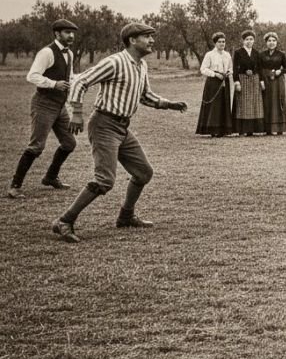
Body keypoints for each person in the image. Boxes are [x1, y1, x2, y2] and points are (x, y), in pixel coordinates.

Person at [51, 23, 188, 243]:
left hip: (122, 127)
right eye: (147, 37)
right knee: (105, 180)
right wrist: (76, 113)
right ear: (132, 40)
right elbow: (80, 81)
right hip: (104, 124)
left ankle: (125, 217)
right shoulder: (115, 62)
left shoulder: (141, 65)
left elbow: (145, 96)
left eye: (152, 36)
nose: (152, 40)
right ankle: (64, 221)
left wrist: (169, 104)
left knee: (143, 173)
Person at [8, 19, 80, 199]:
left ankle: (50, 177)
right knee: (36, 146)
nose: (71, 35)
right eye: (66, 32)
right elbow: (31, 76)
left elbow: (69, 77)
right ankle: (15, 186)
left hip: (60, 106)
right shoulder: (47, 52)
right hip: (43, 103)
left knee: (69, 143)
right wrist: (53, 84)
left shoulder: (69, 54)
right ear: (57, 34)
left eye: (72, 32)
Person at [195, 32, 233, 137]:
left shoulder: (227, 55)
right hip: (213, 82)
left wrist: (228, 73)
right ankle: (213, 129)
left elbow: (230, 68)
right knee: (214, 106)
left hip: (225, 81)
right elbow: (203, 69)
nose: (222, 44)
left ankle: (223, 129)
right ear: (215, 43)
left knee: (224, 104)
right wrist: (215, 74)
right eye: (219, 42)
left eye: (223, 42)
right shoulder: (209, 55)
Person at [232, 30, 265, 136]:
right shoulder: (238, 52)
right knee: (243, 105)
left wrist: (261, 81)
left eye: (251, 39)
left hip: (254, 80)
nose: (249, 41)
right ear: (243, 40)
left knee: (254, 105)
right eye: (247, 39)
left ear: (254, 40)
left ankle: (252, 130)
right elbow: (235, 68)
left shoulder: (256, 53)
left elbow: (260, 68)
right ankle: (242, 130)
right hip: (242, 80)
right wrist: (236, 82)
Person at [259, 32, 286, 135]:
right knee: (267, 102)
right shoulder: (262, 54)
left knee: (278, 101)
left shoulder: (281, 54)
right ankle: (268, 129)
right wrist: (262, 80)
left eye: (273, 41)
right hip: (266, 80)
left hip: (278, 81)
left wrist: (280, 71)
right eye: (269, 41)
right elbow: (259, 69)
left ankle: (280, 128)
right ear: (266, 42)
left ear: (276, 42)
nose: (271, 43)